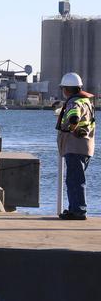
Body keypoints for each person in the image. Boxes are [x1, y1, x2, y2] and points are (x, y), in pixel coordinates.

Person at [56, 72, 95, 220]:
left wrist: (73, 127)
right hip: (85, 147)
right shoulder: (87, 102)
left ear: (66, 89)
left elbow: (74, 117)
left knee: (74, 180)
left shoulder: (74, 102)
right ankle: (74, 208)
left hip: (75, 147)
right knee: (76, 179)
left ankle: (78, 211)